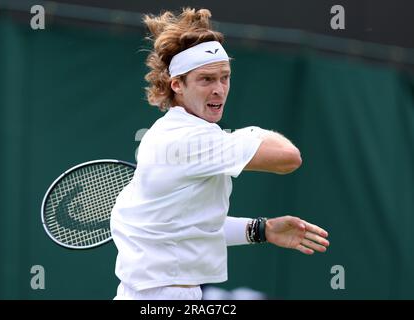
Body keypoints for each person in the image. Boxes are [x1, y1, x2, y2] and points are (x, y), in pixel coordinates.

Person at [110, 7, 329, 300]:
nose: (219, 89)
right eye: (206, 79)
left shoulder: (171, 132)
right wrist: (252, 132)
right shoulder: (186, 139)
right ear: (177, 85)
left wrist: (262, 230)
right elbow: (288, 158)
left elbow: (191, 228)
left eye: (224, 78)